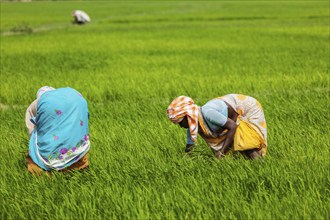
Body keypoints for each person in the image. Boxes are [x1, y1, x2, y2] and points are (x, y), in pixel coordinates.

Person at [166, 94, 267, 159]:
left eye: (180, 122)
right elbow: (189, 149)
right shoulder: (193, 128)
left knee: (246, 144)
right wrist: (185, 160)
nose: (180, 126)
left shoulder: (208, 113)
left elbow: (233, 126)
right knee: (238, 149)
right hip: (234, 118)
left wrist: (222, 152)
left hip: (247, 109)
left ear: (187, 116)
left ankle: (261, 167)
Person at [25, 86, 90, 175]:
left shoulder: (37, 103)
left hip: (48, 153)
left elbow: (31, 128)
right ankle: (78, 167)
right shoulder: (65, 98)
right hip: (78, 99)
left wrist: (34, 145)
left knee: (36, 153)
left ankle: (41, 174)